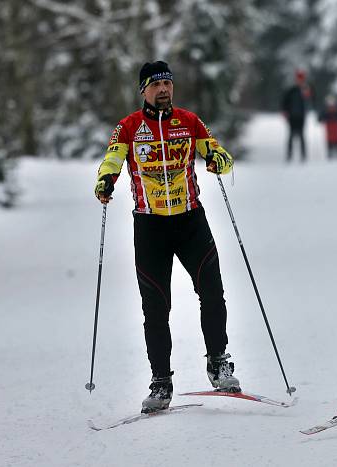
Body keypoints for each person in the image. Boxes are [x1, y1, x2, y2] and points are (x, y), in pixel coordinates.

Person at [94, 61, 241, 414]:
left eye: (168, 84)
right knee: (156, 309)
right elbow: (112, 160)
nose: (163, 90)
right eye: (155, 85)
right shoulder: (129, 127)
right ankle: (161, 382)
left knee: (212, 292)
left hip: (191, 222)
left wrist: (219, 159)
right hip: (150, 228)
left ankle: (218, 363)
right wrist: (105, 180)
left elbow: (219, 152)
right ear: (143, 90)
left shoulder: (189, 121)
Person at [281, 68, 313, 162]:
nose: (300, 80)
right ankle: (289, 155)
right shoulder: (291, 90)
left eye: (301, 78)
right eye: (299, 78)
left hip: (301, 116)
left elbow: (310, 101)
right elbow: (285, 102)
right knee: (291, 136)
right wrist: (285, 111)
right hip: (292, 116)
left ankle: (303, 156)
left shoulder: (306, 89)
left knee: (302, 136)